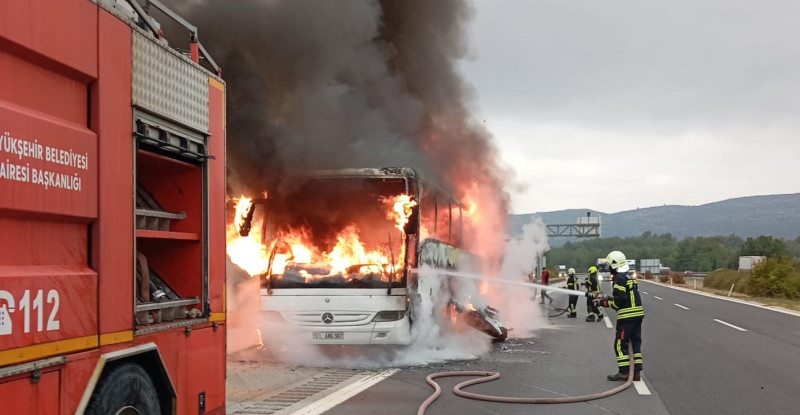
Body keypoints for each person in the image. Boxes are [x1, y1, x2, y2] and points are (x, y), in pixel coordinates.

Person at [591, 250, 644, 381]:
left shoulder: (618, 279)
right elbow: (624, 296)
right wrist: (608, 298)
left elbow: (618, 302)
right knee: (635, 343)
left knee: (620, 344)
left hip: (626, 317)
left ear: (613, 265)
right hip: (638, 315)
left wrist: (602, 303)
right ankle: (636, 372)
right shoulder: (627, 276)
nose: (608, 268)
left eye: (609, 265)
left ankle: (624, 371)